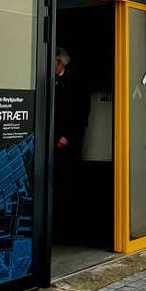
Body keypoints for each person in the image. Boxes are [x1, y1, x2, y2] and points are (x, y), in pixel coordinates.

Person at [53, 47, 89, 240]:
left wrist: (67, 136)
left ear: (60, 63)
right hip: (53, 137)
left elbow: (80, 111)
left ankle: (67, 227)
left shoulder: (76, 80)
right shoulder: (55, 80)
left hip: (67, 140)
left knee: (67, 179)